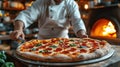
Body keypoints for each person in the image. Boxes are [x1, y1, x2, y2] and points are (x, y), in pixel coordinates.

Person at [10, 0, 88, 40]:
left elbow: (77, 21)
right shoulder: (40, 3)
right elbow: (25, 15)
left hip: (64, 41)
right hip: (42, 42)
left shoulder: (71, 4)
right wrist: (18, 29)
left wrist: (82, 35)